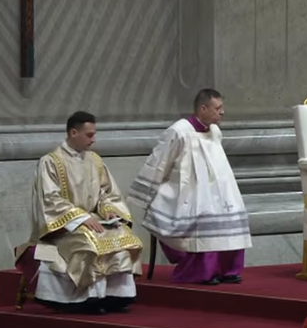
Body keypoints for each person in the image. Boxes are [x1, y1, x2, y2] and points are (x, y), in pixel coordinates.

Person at [15, 111, 142, 313]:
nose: (93, 140)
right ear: (74, 132)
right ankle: (85, 298)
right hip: (64, 227)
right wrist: (81, 218)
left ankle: (114, 296)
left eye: (94, 134)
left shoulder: (95, 161)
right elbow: (50, 199)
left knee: (124, 236)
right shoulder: (51, 161)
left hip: (96, 220)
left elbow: (105, 192)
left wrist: (108, 210)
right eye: (89, 135)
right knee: (88, 243)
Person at [130, 89, 251, 285]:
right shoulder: (179, 131)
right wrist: (146, 196)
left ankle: (227, 269)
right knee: (203, 216)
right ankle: (201, 272)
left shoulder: (214, 131)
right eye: (217, 108)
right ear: (203, 108)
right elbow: (160, 163)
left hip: (214, 192)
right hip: (183, 192)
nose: (222, 112)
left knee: (236, 211)